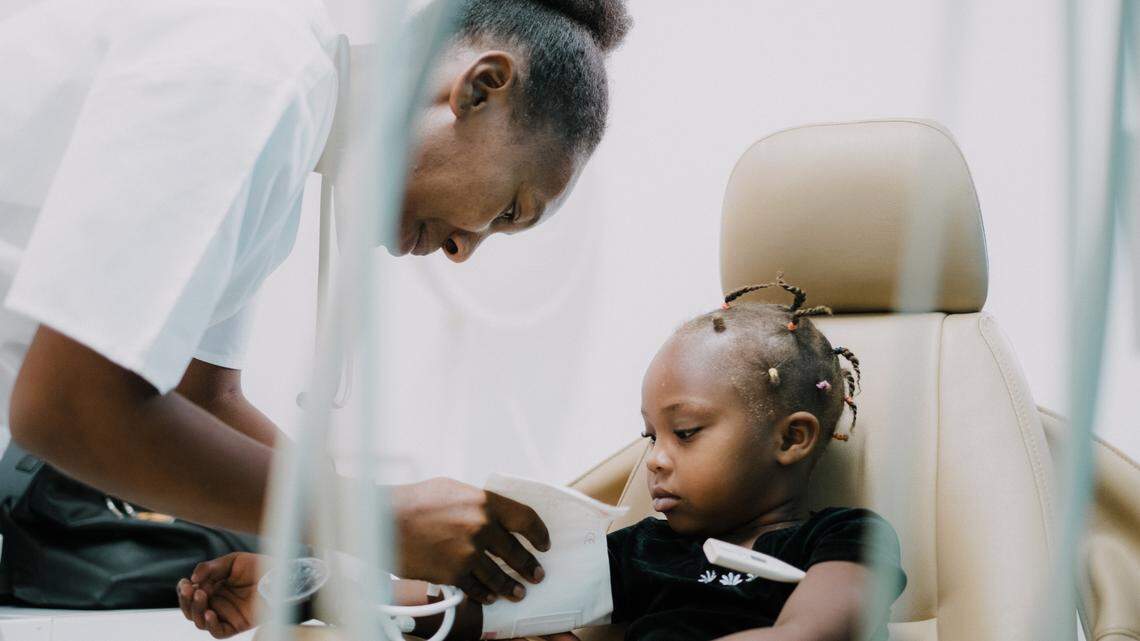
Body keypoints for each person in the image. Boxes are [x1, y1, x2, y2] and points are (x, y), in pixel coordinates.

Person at [0, 0, 630, 605]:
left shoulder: (286, 130)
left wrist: (369, 566)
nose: (464, 250)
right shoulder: (254, 63)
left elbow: (205, 396)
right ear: (480, 88)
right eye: (508, 210)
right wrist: (377, 520)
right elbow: (67, 404)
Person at [177, 276, 907, 640]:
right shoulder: (642, 548)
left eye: (684, 433)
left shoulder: (842, 538)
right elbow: (474, 606)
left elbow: (808, 636)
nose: (655, 461)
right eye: (649, 435)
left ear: (792, 439)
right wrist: (316, 587)